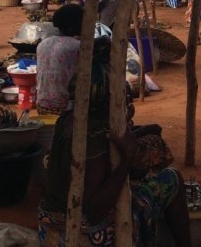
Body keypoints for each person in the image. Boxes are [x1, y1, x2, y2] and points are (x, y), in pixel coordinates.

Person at [38, 36, 191, 246]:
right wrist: (127, 159)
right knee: (172, 179)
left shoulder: (68, 120)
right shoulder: (95, 133)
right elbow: (95, 211)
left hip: (49, 227)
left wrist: (132, 132)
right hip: (85, 233)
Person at [36, 4, 85, 115]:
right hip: (65, 108)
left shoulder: (43, 44)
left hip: (42, 105)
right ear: (73, 26)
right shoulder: (77, 46)